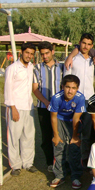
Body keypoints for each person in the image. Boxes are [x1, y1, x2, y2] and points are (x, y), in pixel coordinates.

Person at [4, 43, 37, 176]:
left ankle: (27, 162)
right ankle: (15, 165)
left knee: (28, 135)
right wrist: (13, 108)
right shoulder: (12, 68)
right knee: (14, 136)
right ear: (21, 52)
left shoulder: (31, 67)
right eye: (27, 52)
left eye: (31, 54)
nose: (29, 56)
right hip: (15, 107)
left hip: (28, 106)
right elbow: (7, 89)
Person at [64, 33, 95, 168]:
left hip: (89, 100)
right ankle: (71, 161)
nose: (85, 46)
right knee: (72, 132)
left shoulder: (94, 60)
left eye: (89, 44)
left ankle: (85, 160)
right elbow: (65, 80)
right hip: (74, 100)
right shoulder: (72, 59)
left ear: (92, 46)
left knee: (87, 133)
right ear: (79, 43)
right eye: (83, 43)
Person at [49, 75, 85, 189]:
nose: (70, 91)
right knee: (59, 145)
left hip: (73, 121)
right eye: (68, 87)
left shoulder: (80, 98)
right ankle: (59, 175)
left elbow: (76, 118)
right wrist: (56, 135)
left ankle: (76, 176)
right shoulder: (56, 98)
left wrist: (74, 137)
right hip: (59, 120)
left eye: (73, 88)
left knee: (74, 147)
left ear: (77, 88)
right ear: (62, 87)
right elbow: (53, 117)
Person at [33, 41, 64, 172]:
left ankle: (61, 162)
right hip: (43, 107)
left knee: (60, 134)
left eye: (47, 53)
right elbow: (35, 89)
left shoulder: (62, 67)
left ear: (52, 52)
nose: (45, 56)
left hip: (60, 108)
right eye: (42, 54)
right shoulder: (37, 68)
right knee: (46, 136)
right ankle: (50, 163)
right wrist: (46, 102)